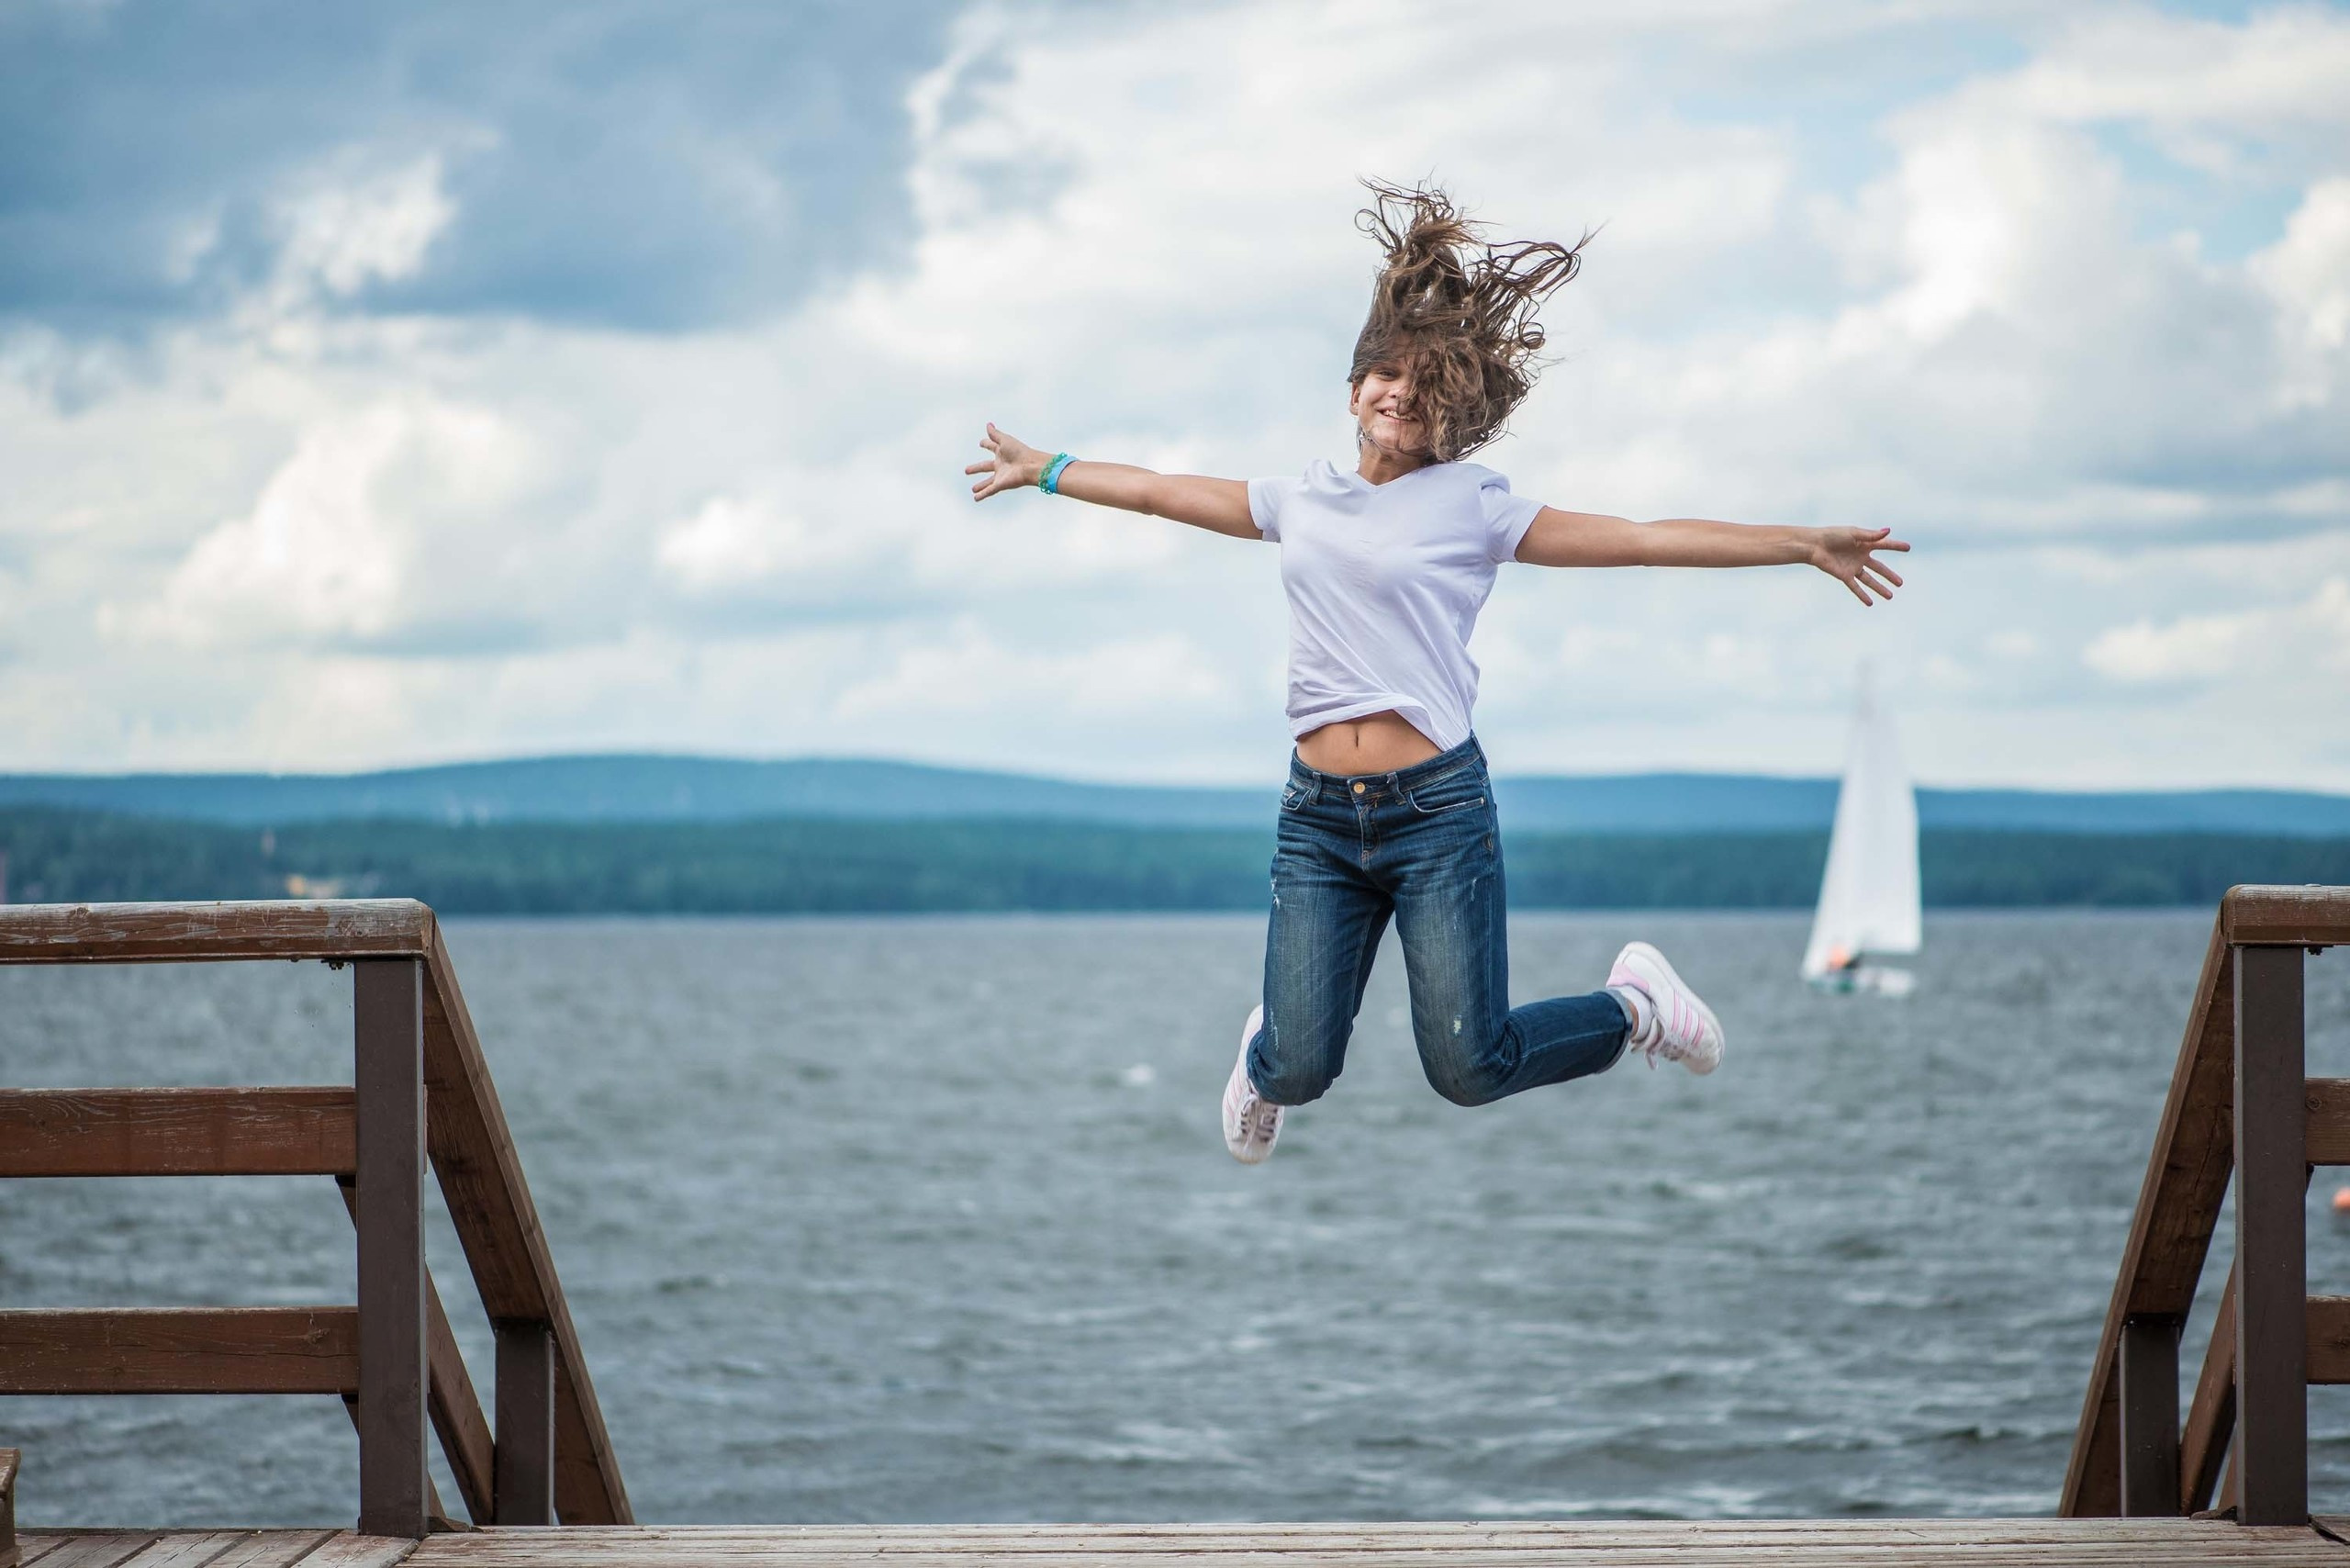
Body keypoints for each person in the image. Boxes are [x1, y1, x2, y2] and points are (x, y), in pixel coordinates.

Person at [966, 181, 1908, 1164]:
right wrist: (1046, 467)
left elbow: (1639, 538)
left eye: (1426, 388)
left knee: (1470, 1066)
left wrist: (1800, 543)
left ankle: (1636, 1004)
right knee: (1294, 1070)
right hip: (1318, 818)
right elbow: (1160, 491)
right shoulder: (1301, 499)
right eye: (1385, 375)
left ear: (1453, 414)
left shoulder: (1475, 507)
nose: (1401, 395)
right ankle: (1268, 1048)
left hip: (1437, 814)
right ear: (1353, 387)